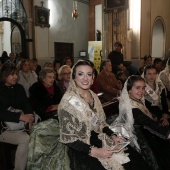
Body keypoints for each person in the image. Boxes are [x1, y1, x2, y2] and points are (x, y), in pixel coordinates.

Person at [58, 60, 151, 170]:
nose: (85, 78)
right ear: (73, 77)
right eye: (80, 74)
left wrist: (113, 136)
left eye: (89, 74)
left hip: (99, 137)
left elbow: (102, 123)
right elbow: (69, 140)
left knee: (133, 157)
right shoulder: (67, 103)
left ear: (93, 78)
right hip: (81, 147)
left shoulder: (93, 96)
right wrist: (95, 151)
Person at [113, 75, 170, 170]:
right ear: (129, 89)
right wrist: (167, 133)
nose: (142, 91)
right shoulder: (131, 107)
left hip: (145, 129)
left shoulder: (135, 99)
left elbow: (147, 116)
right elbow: (146, 122)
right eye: (137, 88)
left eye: (143, 88)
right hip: (138, 136)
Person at [0, 63, 35, 170]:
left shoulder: (19, 87)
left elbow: (26, 104)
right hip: (3, 129)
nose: (15, 77)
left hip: (20, 125)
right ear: (4, 76)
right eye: (12, 74)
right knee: (25, 139)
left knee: (40, 133)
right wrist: (20, 117)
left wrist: (30, 115)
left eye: (16, 74)